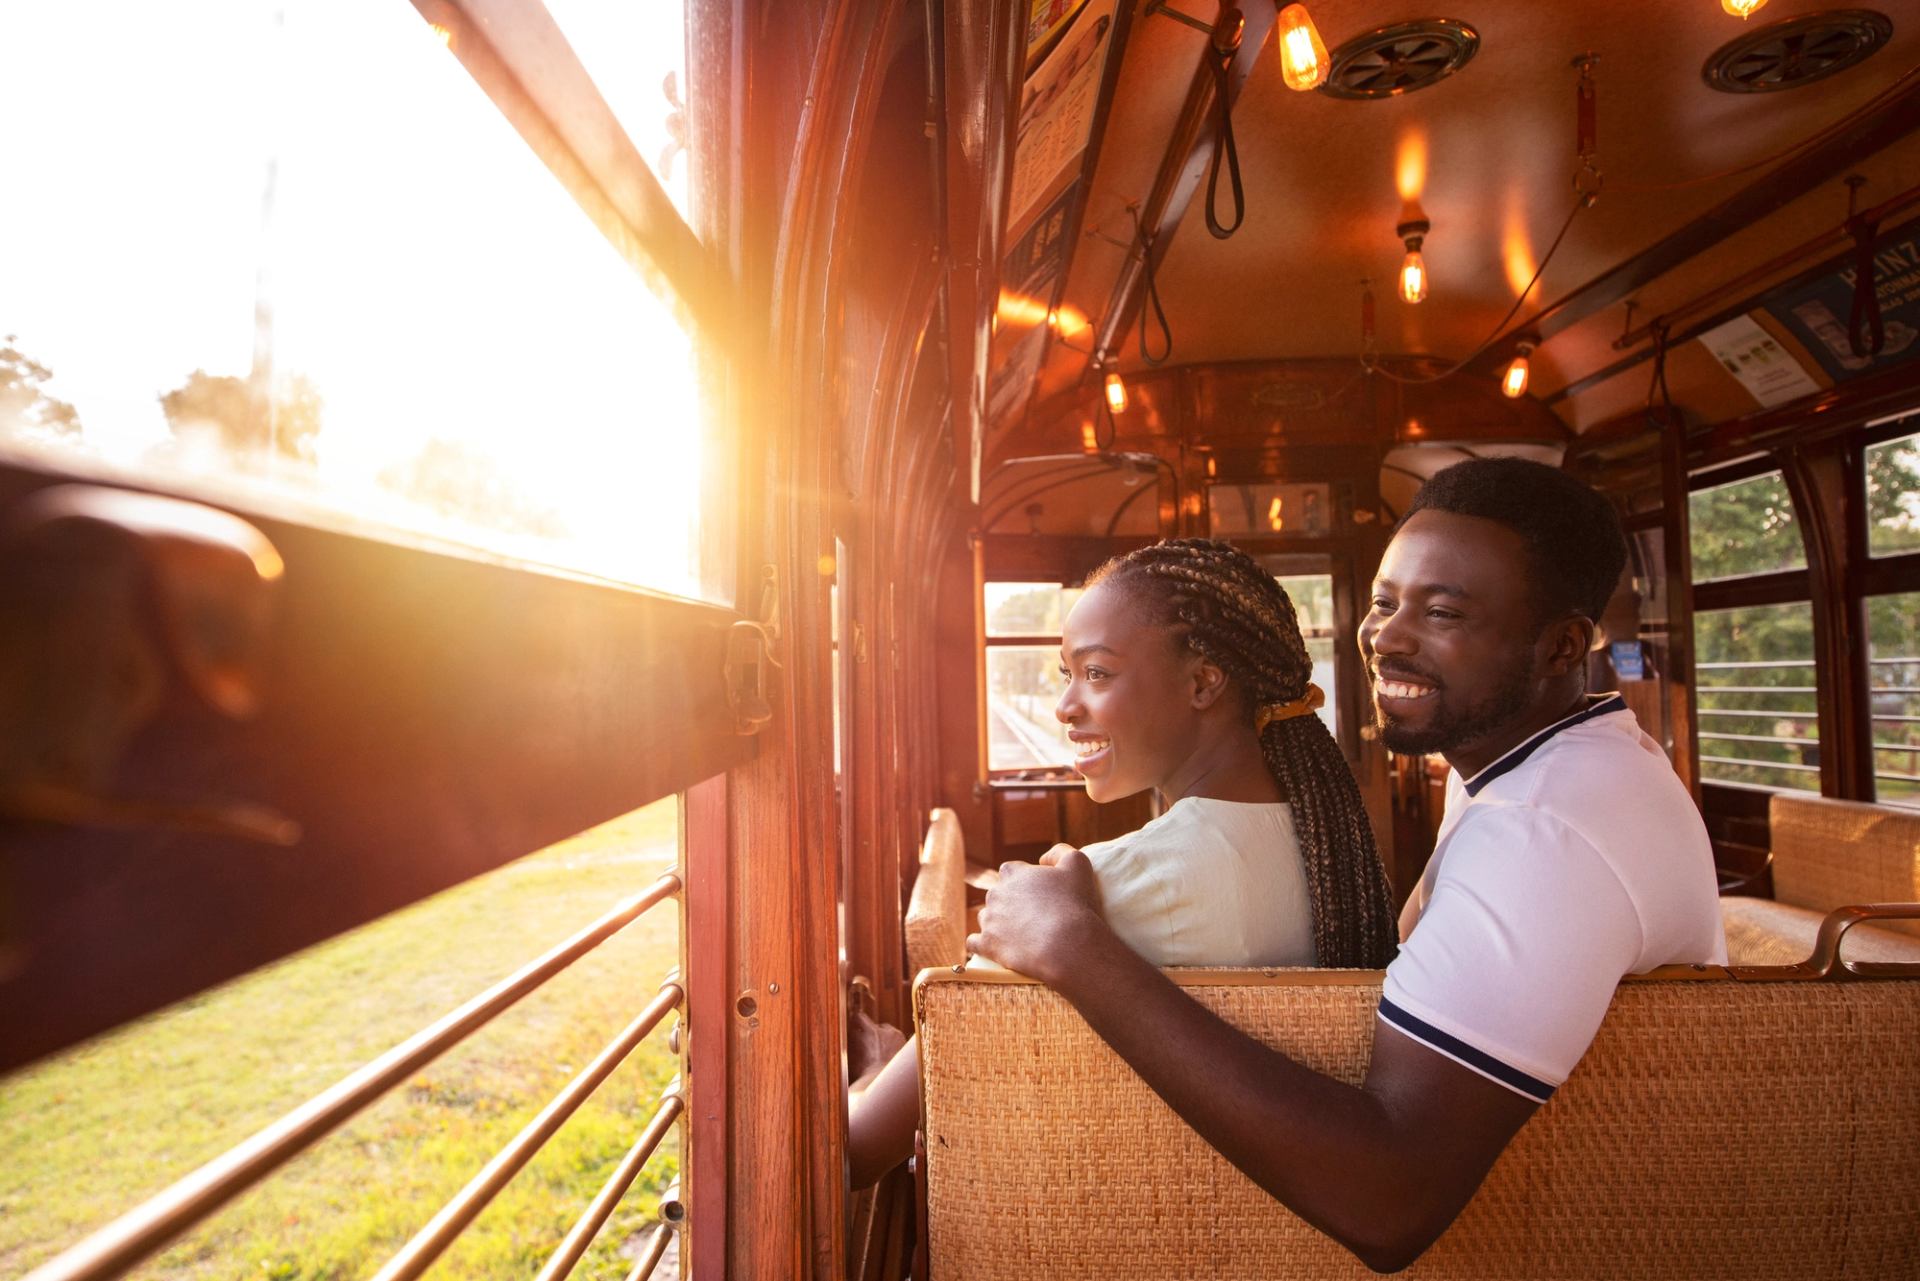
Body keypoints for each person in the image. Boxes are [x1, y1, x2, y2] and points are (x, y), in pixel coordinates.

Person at [968, 458, 1725, 1271]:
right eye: (1384, 601)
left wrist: (1074, 948)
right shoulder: (1547, 769)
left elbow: (1389, 1200)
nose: (1389, 637)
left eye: (1443, 612)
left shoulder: (1548, 833)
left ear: (1562, 646)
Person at [848, 538, 1396, 1188]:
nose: (1065, 705)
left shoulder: (1097, 895)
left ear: (1202, 681)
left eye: (1097, 673)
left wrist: (876, 1067)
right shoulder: (1331, 850)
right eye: (1065, 674)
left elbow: (858, 1146)